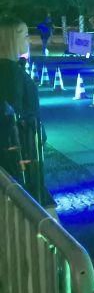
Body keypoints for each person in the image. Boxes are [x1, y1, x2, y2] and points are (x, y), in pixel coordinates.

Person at [0, 17, 52, 210]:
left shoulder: (11, 68)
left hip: (20, 151)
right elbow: (12, 115)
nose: (28, 40)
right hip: (22, 153)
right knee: (36, 207)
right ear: (9, 39)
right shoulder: (10, 72)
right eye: (24, 35)